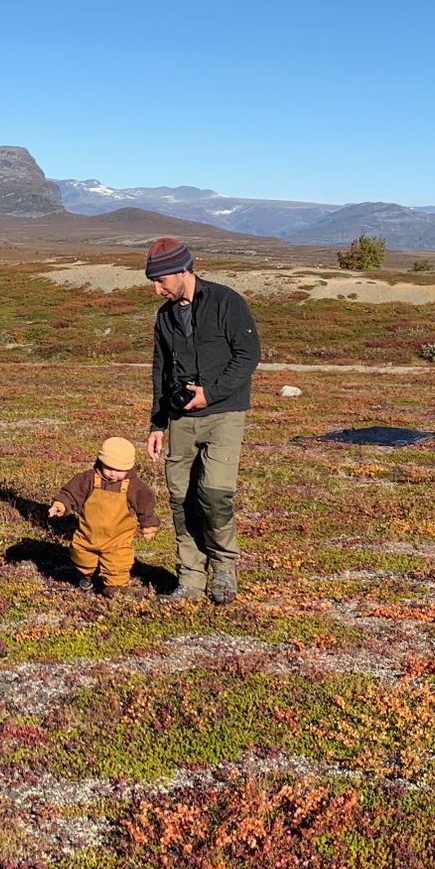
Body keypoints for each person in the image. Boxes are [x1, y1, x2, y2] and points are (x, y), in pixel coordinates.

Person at [143, 238, 261, 603]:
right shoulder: (164, 316)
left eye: (161, 280)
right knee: (181, 499)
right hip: (180, 419)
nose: (155, 288)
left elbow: (247, 356)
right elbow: (161, 370)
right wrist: (158, 424)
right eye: (152, 281)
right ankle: (191, 580)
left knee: (214, 494)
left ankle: (224, 568)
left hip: (224, 413)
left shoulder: (227, 302)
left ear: (182, 271)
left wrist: (209, 394)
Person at [48, 435, 160, 597]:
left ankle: (115, 588)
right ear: (100, 462)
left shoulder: (134, 486)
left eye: (119, 470)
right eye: (109, 468)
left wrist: (148, 524)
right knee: (81, 555)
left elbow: (145, 505)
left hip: (117, 539)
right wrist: (60, 504)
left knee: (118, 562)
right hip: (88, 534)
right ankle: (85, 577)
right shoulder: (88, 479)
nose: (113, 474)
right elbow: (72, 493)